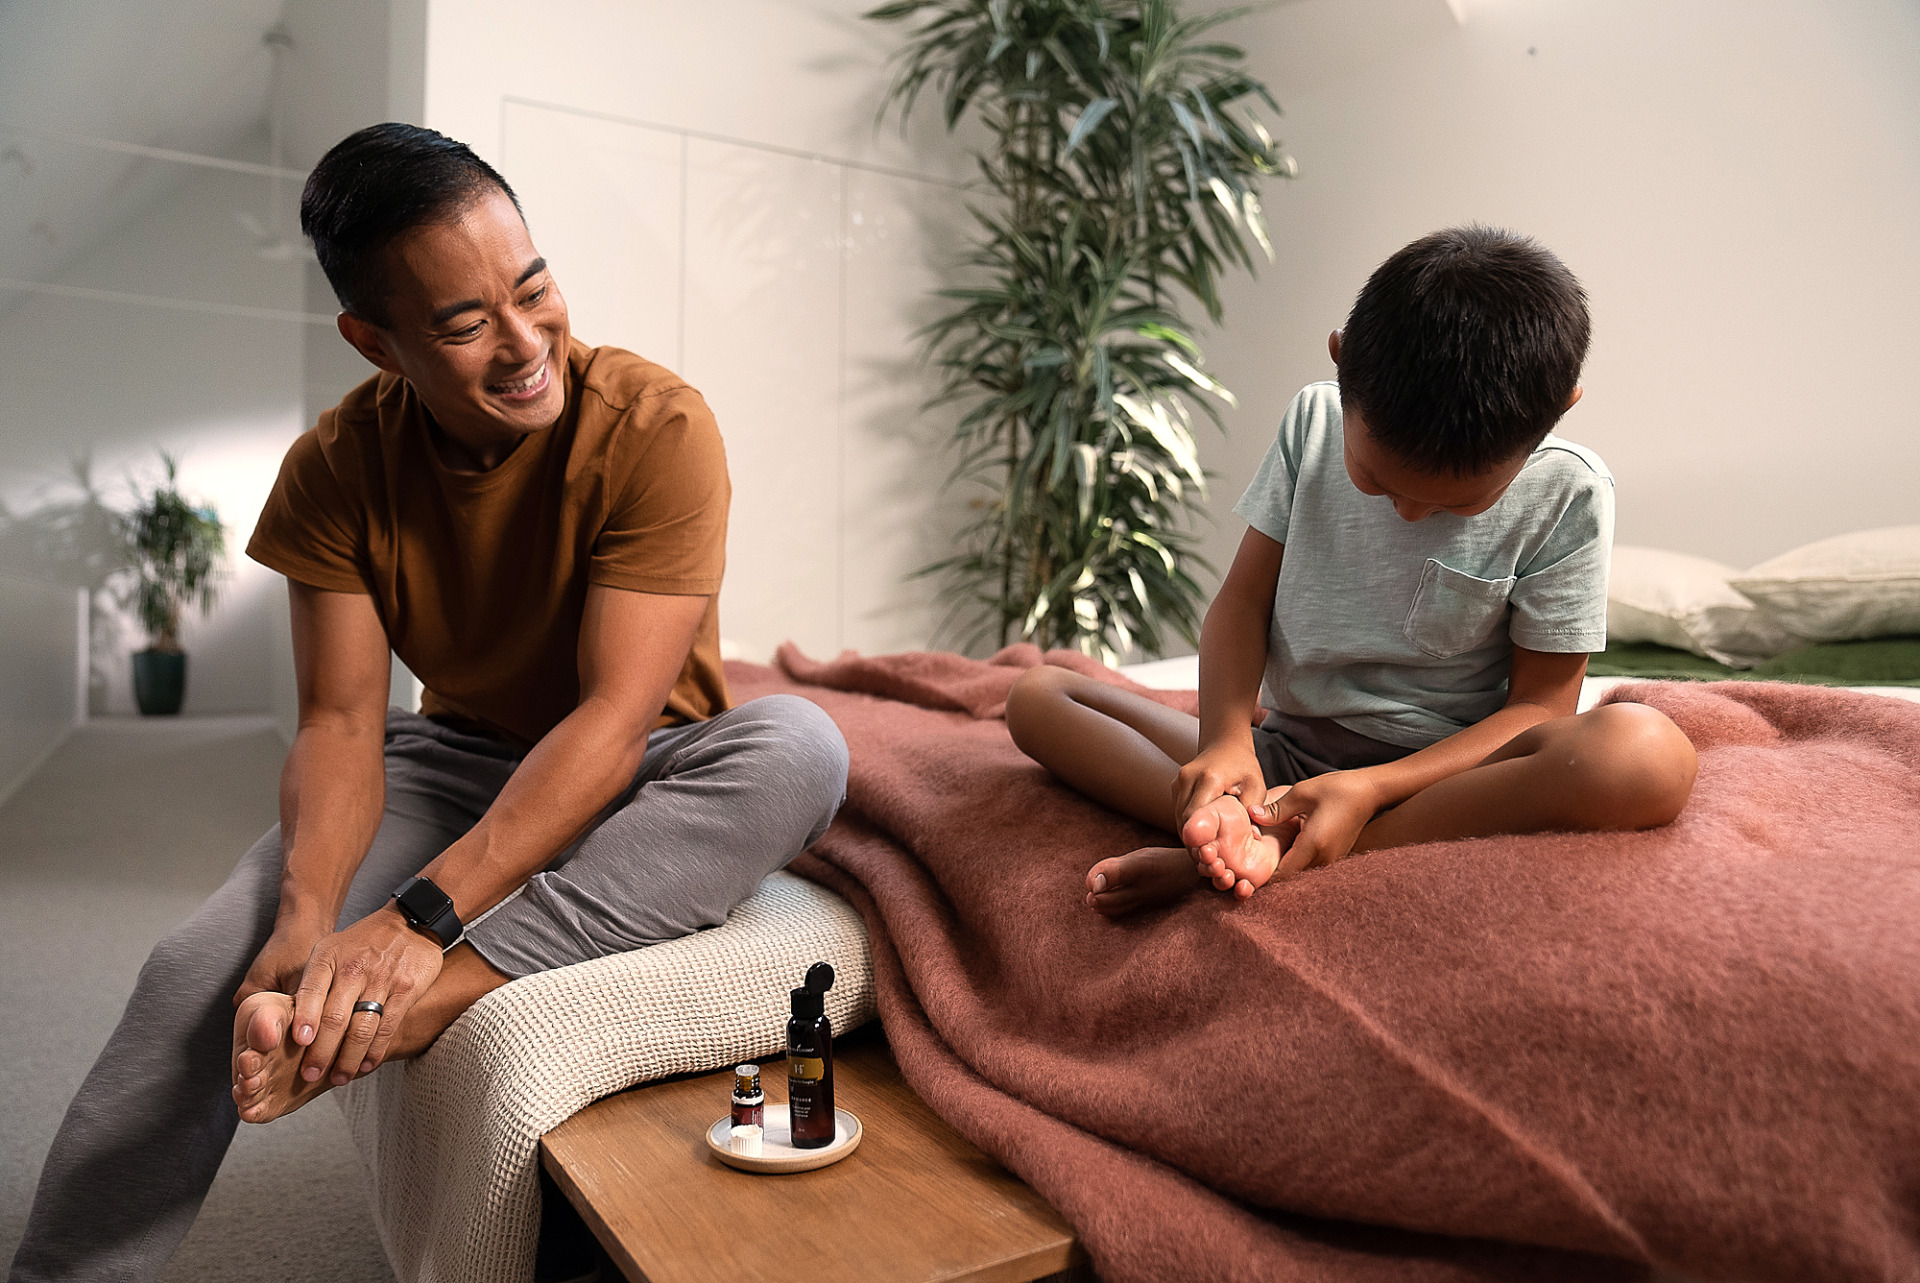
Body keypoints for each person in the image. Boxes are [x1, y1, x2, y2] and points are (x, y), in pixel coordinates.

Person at [10, 123, 849, 1282]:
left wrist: (420, 928)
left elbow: (611, 720)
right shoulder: (335, 468)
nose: (523, 344)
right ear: (378, 341)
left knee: (800, 744)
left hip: (650, 759)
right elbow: (345, 724)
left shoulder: (659, 426)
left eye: (533, 286)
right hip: (454, 761)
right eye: (463, 325)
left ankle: (430, 1007)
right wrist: (303, 932)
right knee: (194, 970)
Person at [1006, 226, 1697, 917]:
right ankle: (1255, 829)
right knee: (1039, 696)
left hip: (1437, 782)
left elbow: (1541, 709)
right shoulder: (1312, 423)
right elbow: (1242, 602)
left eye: (1458, 501)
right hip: (1283, 756)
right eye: (1375, 478)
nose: (1408, 512)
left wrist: (1371, 787)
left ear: (1556, 413)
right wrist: (1225, 741)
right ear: (1342, 364)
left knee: (1646, 754)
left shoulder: (1569, 495)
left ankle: (1269, 850)